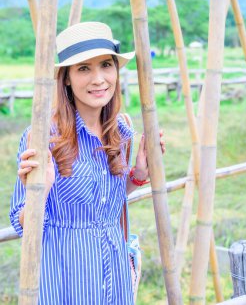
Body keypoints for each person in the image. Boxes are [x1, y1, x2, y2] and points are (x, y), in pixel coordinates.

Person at [10, 22, 165, 305]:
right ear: (66, 78)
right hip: (66, 280)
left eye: (106, 65)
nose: (98, 79)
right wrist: (40, 192)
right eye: (84, 68)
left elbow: (102, 200)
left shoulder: (120, 129)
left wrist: (139, 174)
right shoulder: (43, 136)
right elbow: (22, 224)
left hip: (114, 275)